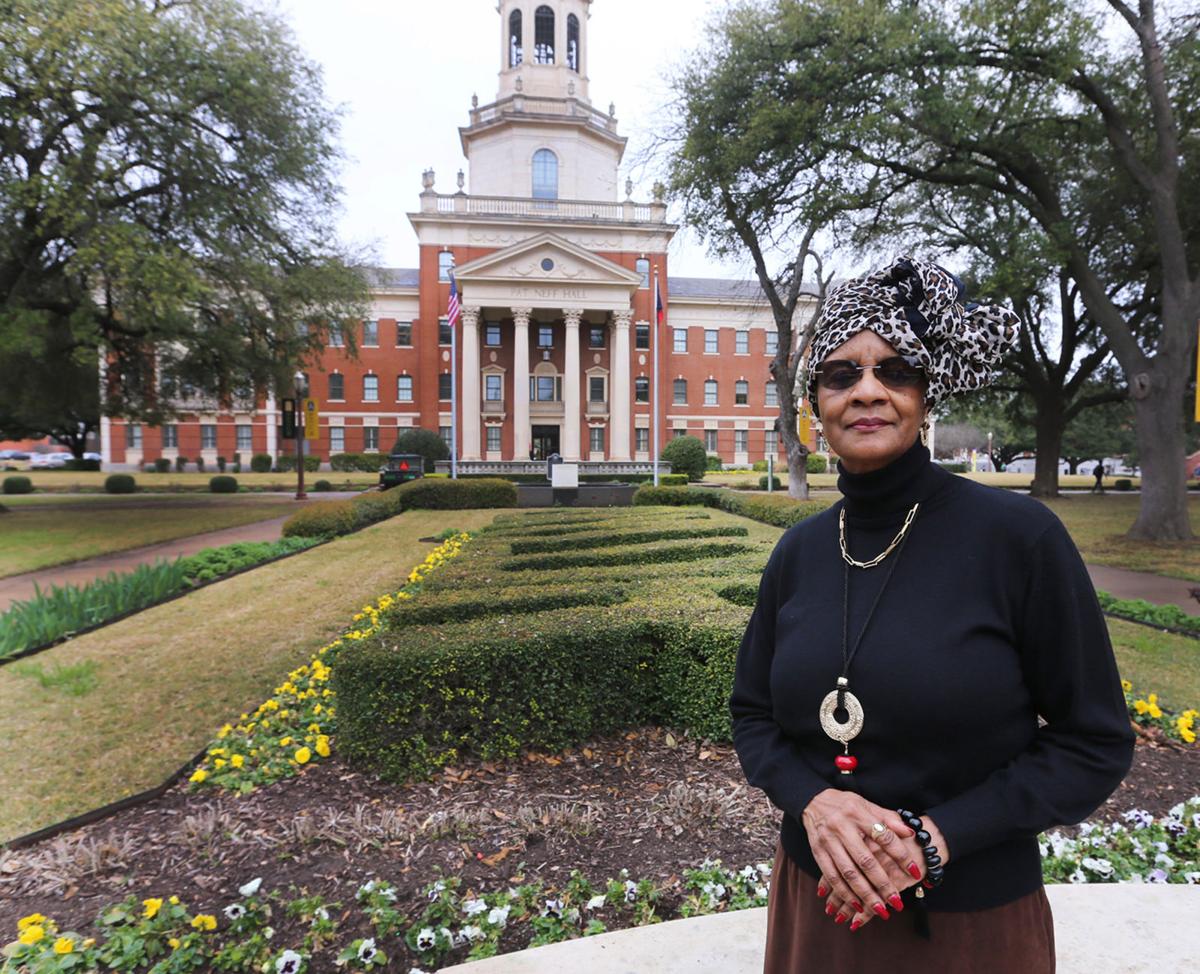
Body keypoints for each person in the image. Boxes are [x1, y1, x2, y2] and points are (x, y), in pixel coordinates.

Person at [730, 256, 1134, 973]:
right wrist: (814, 804)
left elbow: (1092, 742)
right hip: (816, 916)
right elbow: (753, 716)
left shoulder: (1017, 540)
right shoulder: (799, 553)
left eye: (895, 372)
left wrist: (936, 838)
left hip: (970, 925)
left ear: (926, 394)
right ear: (814, 400)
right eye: (841, 374)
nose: (868, 392)